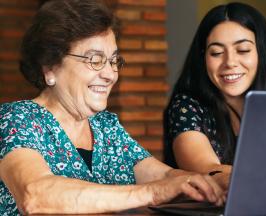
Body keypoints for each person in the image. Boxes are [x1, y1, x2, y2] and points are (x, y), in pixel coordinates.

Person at [0, 0, 225, 215]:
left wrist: (216, 182)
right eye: (95, 60)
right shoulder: (16, 120)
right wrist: (152, 193)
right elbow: (35, 194)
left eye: (113, 61)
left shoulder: (106, 126)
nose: (109, 74)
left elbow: (164, 176)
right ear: (49, 68)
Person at [163, 2, 266, 191]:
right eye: (217, 53)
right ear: (203, 58)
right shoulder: (186, 107)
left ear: (262, 53)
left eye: (243, 50)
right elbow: (206, 170)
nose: (230, 62)